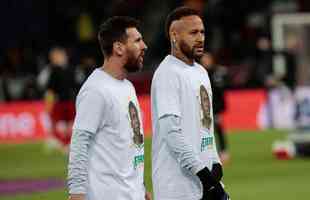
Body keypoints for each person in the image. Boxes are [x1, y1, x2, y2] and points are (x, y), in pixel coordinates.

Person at [67, 16, 151, 200]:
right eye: (137, 41)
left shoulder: (127, 86)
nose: (144, 46)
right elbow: (79, 143)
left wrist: (141, 188)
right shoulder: (96, 90)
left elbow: (129, 145)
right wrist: (77, 193)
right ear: (118, 47)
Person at [151, 7, 229, 200]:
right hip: (178, 186)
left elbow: (206, 125)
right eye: (193, 32)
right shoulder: (167, 74)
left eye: (202, 32)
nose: (200, 38)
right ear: (174, 35)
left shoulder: (201, 72)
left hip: (205, 181)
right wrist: (203, 174)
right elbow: (171, 133)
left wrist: (215, 162)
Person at [200, 52, 230, 164]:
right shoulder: (199, 73)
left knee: (218, 129)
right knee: (204, 131)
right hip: (203, 108)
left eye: (207, 59)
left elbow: (220, 92)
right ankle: (206, 153)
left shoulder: (217, 73)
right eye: (204, 60)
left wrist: (219, 108)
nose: (205, 62)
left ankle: (223, 151)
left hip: (215, 107)